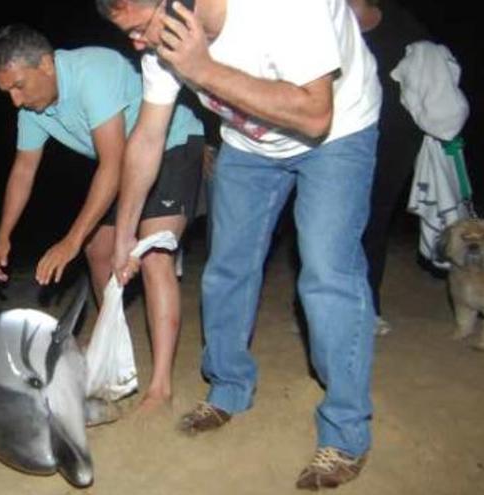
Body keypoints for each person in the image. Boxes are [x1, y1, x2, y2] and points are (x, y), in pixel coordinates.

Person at [99, 0, 381, 489]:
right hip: (250, 146)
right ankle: (228, 388)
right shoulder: (162, 48)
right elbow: (147, 138)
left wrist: (202, 67)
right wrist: (124, 232)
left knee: (327, 273)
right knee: (226, 268)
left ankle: (345, 431)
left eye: (141, 27)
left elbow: (316, 115)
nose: (138, 44)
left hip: (337, 132)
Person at [0, 24, 206, 414]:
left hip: (171, 143)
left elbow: (114, 162)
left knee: (154, 255)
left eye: (19, 86)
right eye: (7, 93)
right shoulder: (34, 108)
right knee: (98, 249)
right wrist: (3, 235)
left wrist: (69, 239)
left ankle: (160, 387)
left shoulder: (92, 71)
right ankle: (110, 340)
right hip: (126, 161)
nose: (15, 101)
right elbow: (23, 171)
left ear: (46, 64)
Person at [348, 0, 429, 336]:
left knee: (375, 222)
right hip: (342, 139)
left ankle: (369, 307)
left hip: (393, 142)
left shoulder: (403, 28)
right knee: (330, 224)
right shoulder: (330, 25)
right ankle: (318, 310)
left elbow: (432, 76)